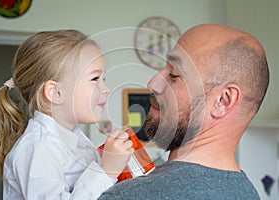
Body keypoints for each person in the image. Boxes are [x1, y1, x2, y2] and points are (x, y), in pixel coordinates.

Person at [99, 23, 269, 199]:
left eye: (174, 74)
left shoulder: (130, 195)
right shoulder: (248, 194)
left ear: (223, 100)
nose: (153, 84)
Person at [0, 30, 134, 199]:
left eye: (104, 79)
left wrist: (115, 167)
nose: (106, 89)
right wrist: (107, 170)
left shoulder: (76, 142)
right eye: (95, 79)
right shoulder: (39, 147)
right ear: (55, 92)